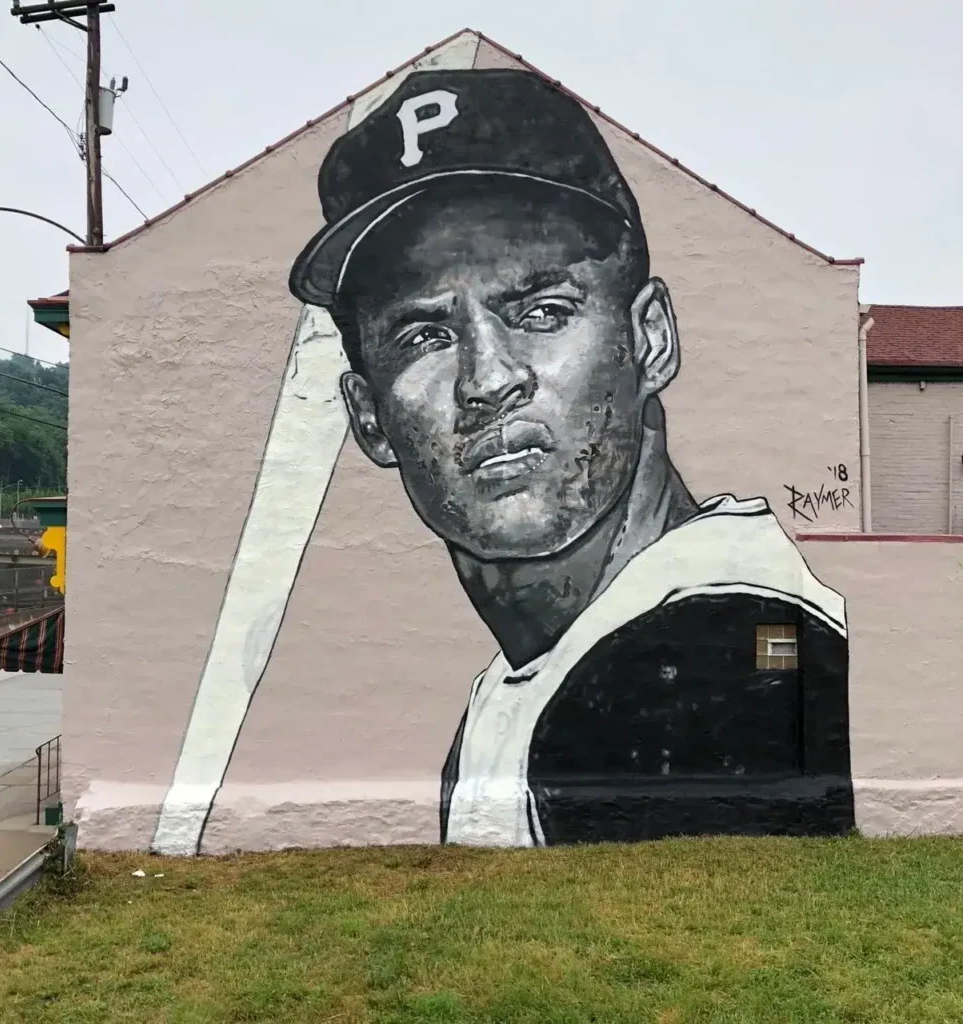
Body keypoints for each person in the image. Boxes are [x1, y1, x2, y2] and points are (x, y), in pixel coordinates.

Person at [289, 68, 854, 847]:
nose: (487, 380)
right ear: (369, 417)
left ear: (648, 340)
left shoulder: (707, 655)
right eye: (425, 336)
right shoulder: (537, 676)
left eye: (543, 311)